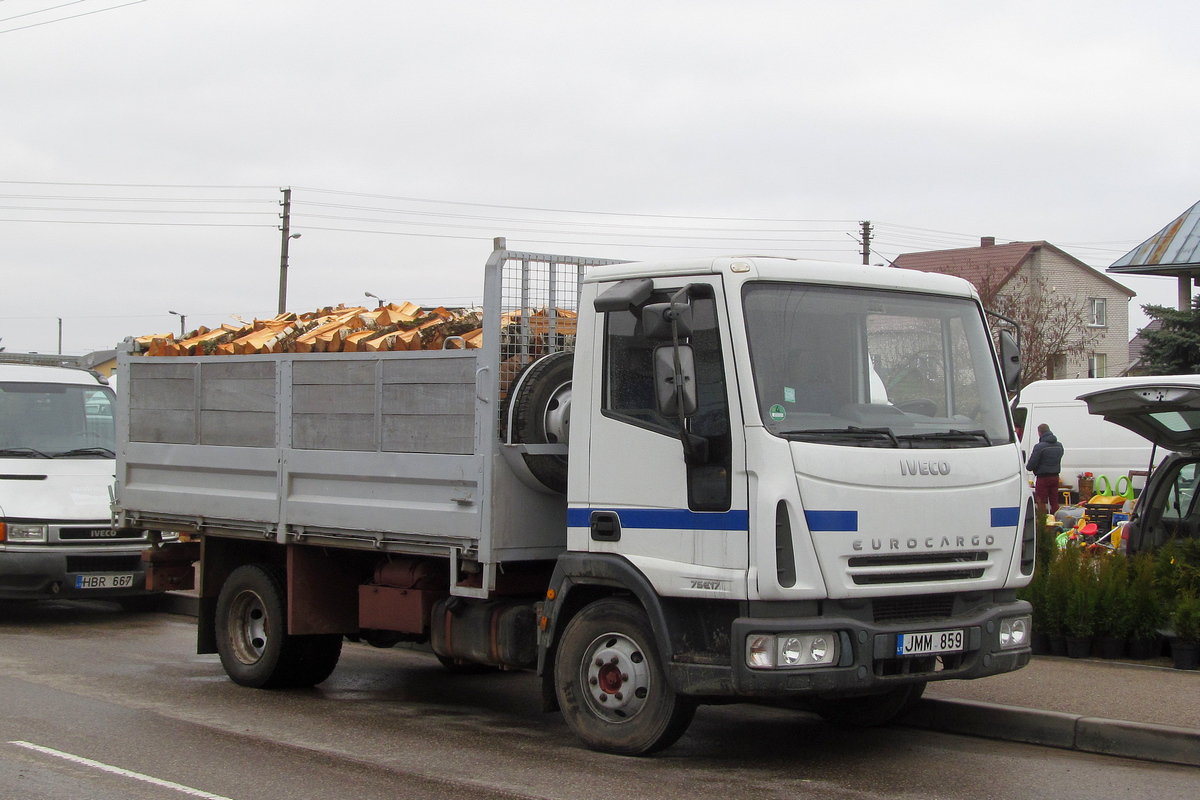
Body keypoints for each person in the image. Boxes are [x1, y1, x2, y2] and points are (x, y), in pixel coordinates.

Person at [1026, 423, 1064, 514]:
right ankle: (1056, 519)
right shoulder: (1059, 445)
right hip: (1055, 477)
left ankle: (1043, 523)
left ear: (1039, 433)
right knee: (1054, 502)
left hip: (1043, 478)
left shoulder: (1040, 447)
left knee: (1041, 502)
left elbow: (1031, 465)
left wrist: (1030, 467)